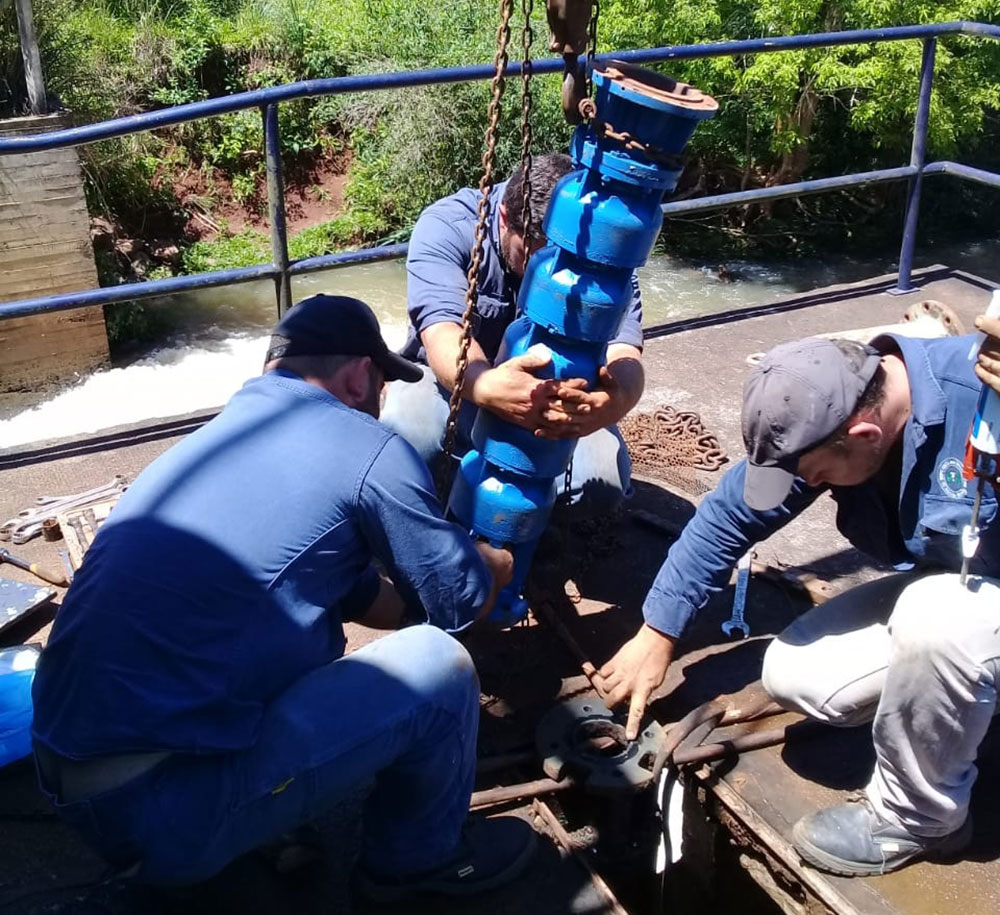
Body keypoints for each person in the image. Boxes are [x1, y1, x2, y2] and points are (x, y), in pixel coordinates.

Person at [30, 294, 536, 899]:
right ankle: (416, 863)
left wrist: (412, 590)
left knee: (294, 628)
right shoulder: (367, 447)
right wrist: (490, 565)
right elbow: (455, 608)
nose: (379, 404)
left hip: (65, 777)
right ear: (358, 376)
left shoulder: (218, 440)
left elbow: (354, 594)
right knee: (440, 668)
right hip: (158, 814)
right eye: (381, 386)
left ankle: (248, 820)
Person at [600, 329, 1000, 877]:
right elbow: (729, 518)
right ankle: (959, 701)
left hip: (963, 610)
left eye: (814, 475)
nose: (804, 486)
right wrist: (657, 632)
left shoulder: (983, 396)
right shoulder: (833, 413)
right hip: (969, 590)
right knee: (797, 676)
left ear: (862, 434)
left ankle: (920, 822)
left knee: (938, 622)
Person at [381, 152, 646, 516]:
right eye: (536, 257)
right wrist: (488, 386)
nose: (553, 270)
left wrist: (617, 400)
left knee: (603, 483)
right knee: (409, 442)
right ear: (506, 220)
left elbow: (625, 350)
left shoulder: (594, 250)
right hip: (453, 386)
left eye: (562, 261)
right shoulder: (448, 225)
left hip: (557, 398)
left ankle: (536, 532)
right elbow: (444, 330)